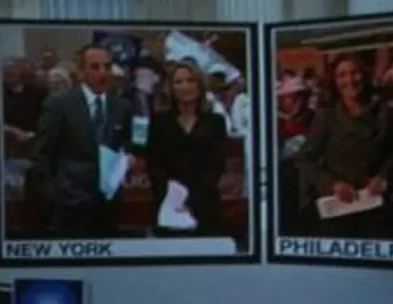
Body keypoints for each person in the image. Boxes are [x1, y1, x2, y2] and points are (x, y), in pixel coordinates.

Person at [23, 42, 137, 238]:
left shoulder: (122, 107)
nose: (103, 72)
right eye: (95, 67)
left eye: (107, 66)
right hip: (68, 206)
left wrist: (128, 160)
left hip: (108, 205)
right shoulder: (60, 104)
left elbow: (127, 146)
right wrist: (54, 197)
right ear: (81, 72)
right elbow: (41, 156)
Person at [288, 52, 393, 235]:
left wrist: (383, 176)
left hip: (375, 209)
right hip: (338, 211)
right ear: (334, 80)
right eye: (342, 75)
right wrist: (332, 184)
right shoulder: (326, 116)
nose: (350, 80)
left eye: (355, 73)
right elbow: (304, 159)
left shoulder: (383, 113)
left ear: (364, 75)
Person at [144, 60, 236, 245]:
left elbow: (216, 163)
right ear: (171, 87)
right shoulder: (159, 121)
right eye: (178, 82)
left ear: (199, 85)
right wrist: (172, 197)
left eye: (190, 80)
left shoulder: (215, 122)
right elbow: (154, 164)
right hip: (168, 205)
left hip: (205, 203)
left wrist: (191, 197)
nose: (185, 86)